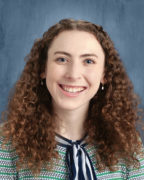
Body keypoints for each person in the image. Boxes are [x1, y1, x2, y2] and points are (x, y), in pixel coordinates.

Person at [0, 18, 144, 180]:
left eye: (88, 61)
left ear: (105, 75)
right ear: (43, 68)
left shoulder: (128, 144)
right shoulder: (5, 146)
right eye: (62, 59)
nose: (73, 74)